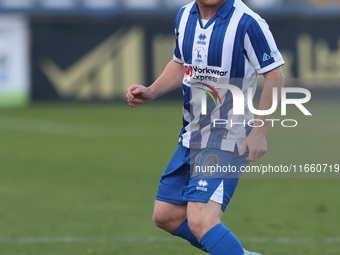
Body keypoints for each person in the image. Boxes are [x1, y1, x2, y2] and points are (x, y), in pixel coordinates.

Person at [126, 0, 284, 254]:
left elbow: (275, 76)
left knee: (201, 219)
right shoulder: (184, 16)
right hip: (192, 133)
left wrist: (259, 132)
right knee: (166, 215)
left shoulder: (248, 22)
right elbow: (180, 63)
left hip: (228, 134)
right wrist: (151, 91)